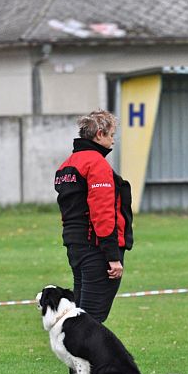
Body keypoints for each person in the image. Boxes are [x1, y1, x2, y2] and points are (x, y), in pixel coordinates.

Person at [55, 109, 133, 323]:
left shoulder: (68, 165)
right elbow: (102, 213)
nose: (113, 141)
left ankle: (81, 356)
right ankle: (89, 358)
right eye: (111, 135)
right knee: (90, 320)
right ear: (99, 134)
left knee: (81, 314)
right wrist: (112, 257)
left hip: (76, 248)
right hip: (96, 250)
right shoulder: (96, 165)